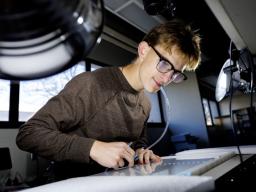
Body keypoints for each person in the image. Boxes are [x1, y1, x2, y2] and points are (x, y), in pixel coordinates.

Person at [16, 19, 201, 180]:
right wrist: (93, 148)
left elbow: (138, 142)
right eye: (164, 64)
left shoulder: (146, 104)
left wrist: (140, 152)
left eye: (175, 73)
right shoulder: (90, 84)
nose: (167, 78)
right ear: (144, 50)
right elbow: (28, 134)